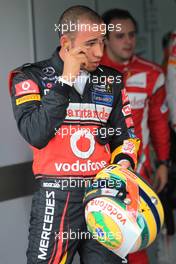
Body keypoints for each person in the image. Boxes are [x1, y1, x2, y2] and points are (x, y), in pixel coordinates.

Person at [9, 5, 140, 264]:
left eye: (102, 42)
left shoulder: (111, 80)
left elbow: (125, 137)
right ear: (65, 43)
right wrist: (65, 82)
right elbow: (35, 133)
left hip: (103, 196)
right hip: (55, 198)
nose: (100, 52)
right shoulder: (30, 77)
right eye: (90, 44)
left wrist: (123, 166)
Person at [101, 8, 170, 264]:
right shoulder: (91, 73)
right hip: (99, 171)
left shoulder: (152, 73)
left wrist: (163, 162)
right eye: (120, 36)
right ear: (105, 39)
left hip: (138, 171)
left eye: (131, 35)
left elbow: (159, 123)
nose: (128, 41)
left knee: (135, 239)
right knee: (100, 242)